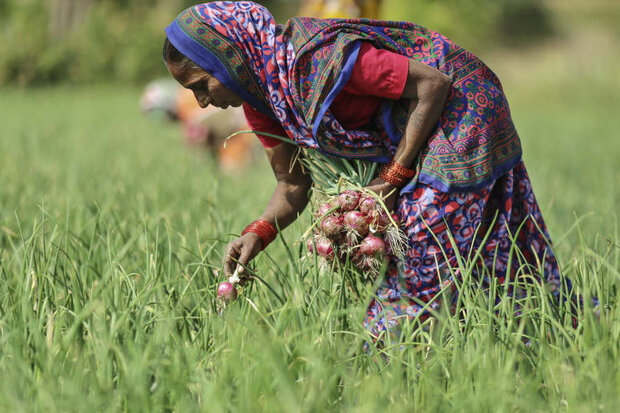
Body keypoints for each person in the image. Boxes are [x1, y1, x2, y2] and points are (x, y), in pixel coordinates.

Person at [162, 2, 567, 341]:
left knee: (420, 234)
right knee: (489, 246)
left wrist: (391, 179)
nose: (200, 103)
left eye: (202, 84)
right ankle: (536, 328)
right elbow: (292, 183)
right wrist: (258, 232)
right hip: (418, 128)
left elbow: (434, 84)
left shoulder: (316, 59)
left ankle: (395, 352)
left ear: (229, 56)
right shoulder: (263, 101)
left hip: (464, 106)